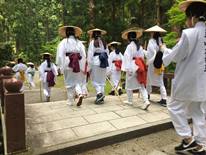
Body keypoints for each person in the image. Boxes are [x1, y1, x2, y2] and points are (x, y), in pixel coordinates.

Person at [161, 0, 206, 154]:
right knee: (198, 111)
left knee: (174, 106)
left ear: (193, 17)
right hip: (204, 81)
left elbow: (175, 56)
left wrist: (165, 50)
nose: (187, 22)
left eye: (187, 18)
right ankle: (201, 144)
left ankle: (188, 139)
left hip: (188, 80)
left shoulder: (189, 34)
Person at [121, 27, 150, 110]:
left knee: (128, 84)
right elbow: (141, 57)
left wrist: (127, 69)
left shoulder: (129, 47)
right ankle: (146, 100)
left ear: (129, 38)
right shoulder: (140, 47)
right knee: (141, 84)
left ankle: (130, 100)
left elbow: (127, 57)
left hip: (132, 65)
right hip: (139, 65)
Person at [56, 25, 86, 106]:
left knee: (69, 82)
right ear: (74, 33)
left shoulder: (63, 42)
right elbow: (83, 55)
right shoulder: (79, 43)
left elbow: (60, 55)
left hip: (68, 62)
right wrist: (83, 66)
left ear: (66, 33)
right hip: (78, 63)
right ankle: (79, 93)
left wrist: (60, 67)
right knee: (77, 81)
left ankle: (70, 101)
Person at [144, 25, 167, 107]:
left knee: (149, 80)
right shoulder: (162, 42)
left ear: (153, 33)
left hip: (152, 65)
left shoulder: (151, 41)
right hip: (160, 64)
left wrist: (144, 52)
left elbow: (150, 54)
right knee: (160, 82)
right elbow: (164, 53)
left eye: (151, 33)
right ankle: (163, 99)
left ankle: (148, 95)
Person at [87, 28, 109, 104]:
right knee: (102, 80)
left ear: (93, 34)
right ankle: (101, 96)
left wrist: (89, 66)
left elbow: (90, 55)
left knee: (95, 79)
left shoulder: (92, 42)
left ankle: (99, 94)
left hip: (96, 62)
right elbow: (107, 53)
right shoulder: (104, 43)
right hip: (104, 61)